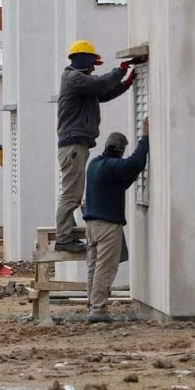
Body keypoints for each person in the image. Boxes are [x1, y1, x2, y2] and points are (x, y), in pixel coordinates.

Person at [55, 39, 135, 252]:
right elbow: (100, 84)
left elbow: (103, 94)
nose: (93, 68)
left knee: (73, 192)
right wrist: (120, 71)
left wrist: (126, 83)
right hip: (73, 145)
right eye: (92, 63)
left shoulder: (80, 83)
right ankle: (63, 239)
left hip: (75, 145)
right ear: (83, 59)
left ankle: (65, 235)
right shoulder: (73, 78)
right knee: (71, 194)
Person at [82, 118, 149, 323]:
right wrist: (145, 138)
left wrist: (131, 175)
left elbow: (119, 182)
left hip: (91, 226)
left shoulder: (94, 164)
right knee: (105, 269)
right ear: (120, 150)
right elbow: (136, 162)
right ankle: (98, 311)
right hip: (107, 227)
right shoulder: (113, 166)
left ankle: (92, 305)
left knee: (94, 267)